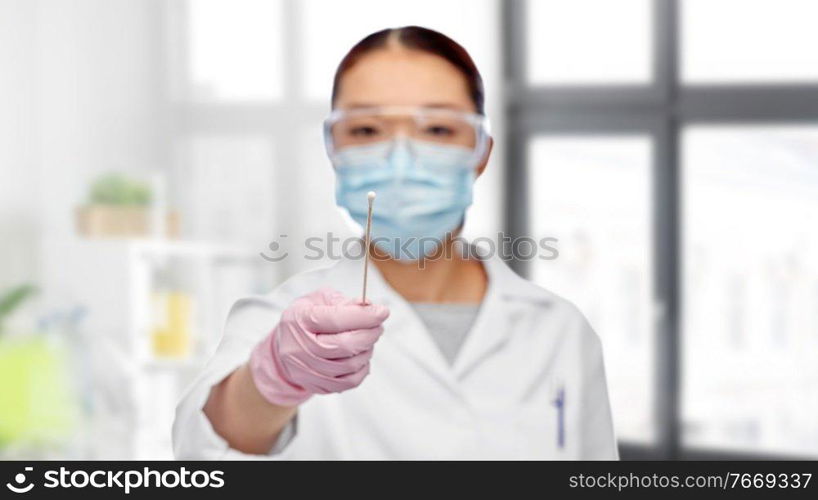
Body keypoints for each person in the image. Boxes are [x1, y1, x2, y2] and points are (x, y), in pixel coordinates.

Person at [173, 26, 617, 460]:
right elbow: (203, 450)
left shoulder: (561, 332)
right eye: (367, 131)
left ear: (481, 151)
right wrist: (274, 378)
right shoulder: (281, 324)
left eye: (438, 130)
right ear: (333, 148)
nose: (401, 160)